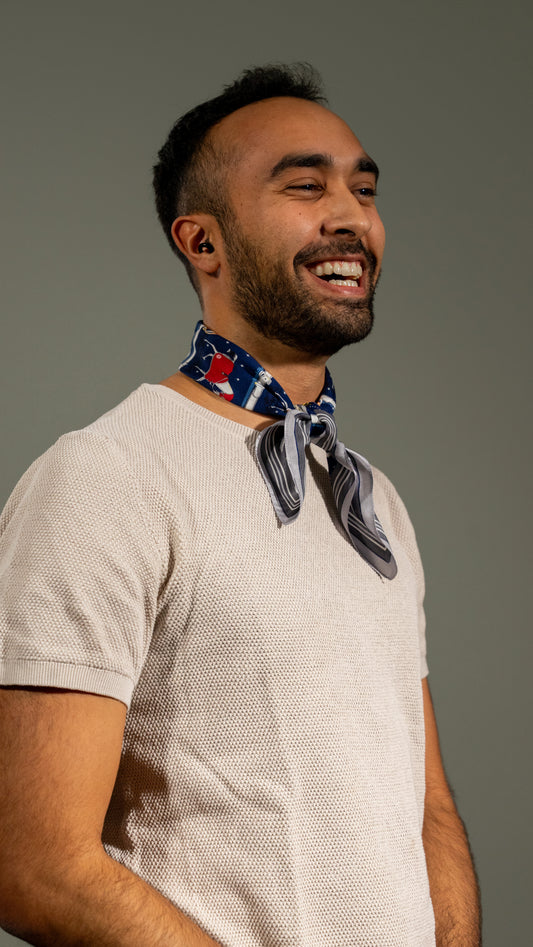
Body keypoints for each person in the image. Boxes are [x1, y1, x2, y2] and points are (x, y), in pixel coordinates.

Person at [0, 64, 480, 946]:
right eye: (304, 185)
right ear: (202, 242)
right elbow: (32, 862)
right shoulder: (105, 476)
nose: (351, 216)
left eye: (363, 189)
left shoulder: (372, 500)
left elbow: (427, 808)